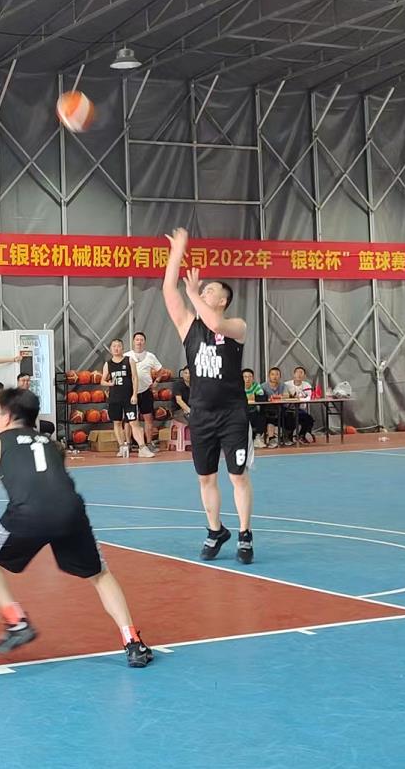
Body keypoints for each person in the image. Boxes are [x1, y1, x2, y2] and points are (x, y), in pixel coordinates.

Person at [0, 388, 152, 668]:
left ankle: (16, 620)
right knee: (100, 575)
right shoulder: (50, 443)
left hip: (30, 513)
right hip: (71, 511)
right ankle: (132, 641)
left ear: (7, 417)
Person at [161, 228, 255, 564]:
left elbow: (215, 324)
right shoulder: (189, 327)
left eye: (210, 290)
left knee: (237, 475)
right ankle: (216, 530)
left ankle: (245, 534)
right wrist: (178, 252)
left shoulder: (237, 327)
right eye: (203, 289)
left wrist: (193, 294)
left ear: (223, 300)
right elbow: (168, 290)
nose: (203, 291)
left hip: (232, 413)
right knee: (206, 477)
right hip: (201, 413)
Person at [101, 338, 153, 459]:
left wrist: (134, 394)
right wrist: (109, 383)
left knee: (134, 422)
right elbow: (102, 381)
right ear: (110, 349)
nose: (116, 348)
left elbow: (135, 378)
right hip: (114, 398)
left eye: (118, 346)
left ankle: (142, 448)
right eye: (114, 346)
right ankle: (122, 447)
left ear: (122, 348)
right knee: (117, 422)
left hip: (128, 398)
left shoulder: (129, 360)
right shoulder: (108, 364)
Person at [128, 333, 163, 449]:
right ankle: (129, 443)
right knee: (130, 420)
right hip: (131, 393)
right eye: (137, 340)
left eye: (141, 340)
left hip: (145, 391)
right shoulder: (127, 356)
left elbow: (160, 370)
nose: (139, 342)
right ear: (133, 342)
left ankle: (148, 443)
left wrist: (156, 381)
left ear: (144, 342)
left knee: (148, 419)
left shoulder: (150, 356)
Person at [260, 367, 293, 447]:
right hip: (267, 408)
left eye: (277, 374)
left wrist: (278, 397)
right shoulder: (263, 386)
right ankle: (271, 438)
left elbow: (286, 395)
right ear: (269, 376)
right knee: (271, 415)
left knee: (289, 416)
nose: (275, 376)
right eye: (272, 374)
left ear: (280, 376)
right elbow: (260, 397)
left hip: (281, 407)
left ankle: (285, 437)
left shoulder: (283, 385)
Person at [285, 366, 316, 444]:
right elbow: (284, 396)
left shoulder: (307, 385)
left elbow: (309, 397)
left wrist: (301, 398)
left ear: (304, 376)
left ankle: (301, 435)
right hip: (288, 409)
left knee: (309, 419)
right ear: (293, 374)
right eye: (297, 372)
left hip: (300, 409)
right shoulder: (287, 384)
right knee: (290, 419)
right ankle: (288, 436)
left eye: (301, 373)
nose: (299, 374)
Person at [242, 369, 267, 449]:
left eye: (250, 377)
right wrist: (252, 397)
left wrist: (249, 397)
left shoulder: (256, 386)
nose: (247, 379)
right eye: (245, 377)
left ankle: (257, 438)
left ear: (253, 378)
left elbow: (262, 398)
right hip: (240, 413)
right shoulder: (237, 387)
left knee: (262, 417)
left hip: (253, 412)